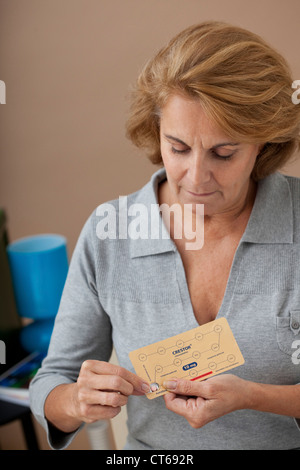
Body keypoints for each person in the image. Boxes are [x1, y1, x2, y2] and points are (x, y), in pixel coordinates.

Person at [29, 21, 300, 450]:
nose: (196, 178)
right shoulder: (109, 234)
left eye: (223, 152)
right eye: (178, 147)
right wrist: (77, 401)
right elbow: (52, 383)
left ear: (264, 145)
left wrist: (253, 396)